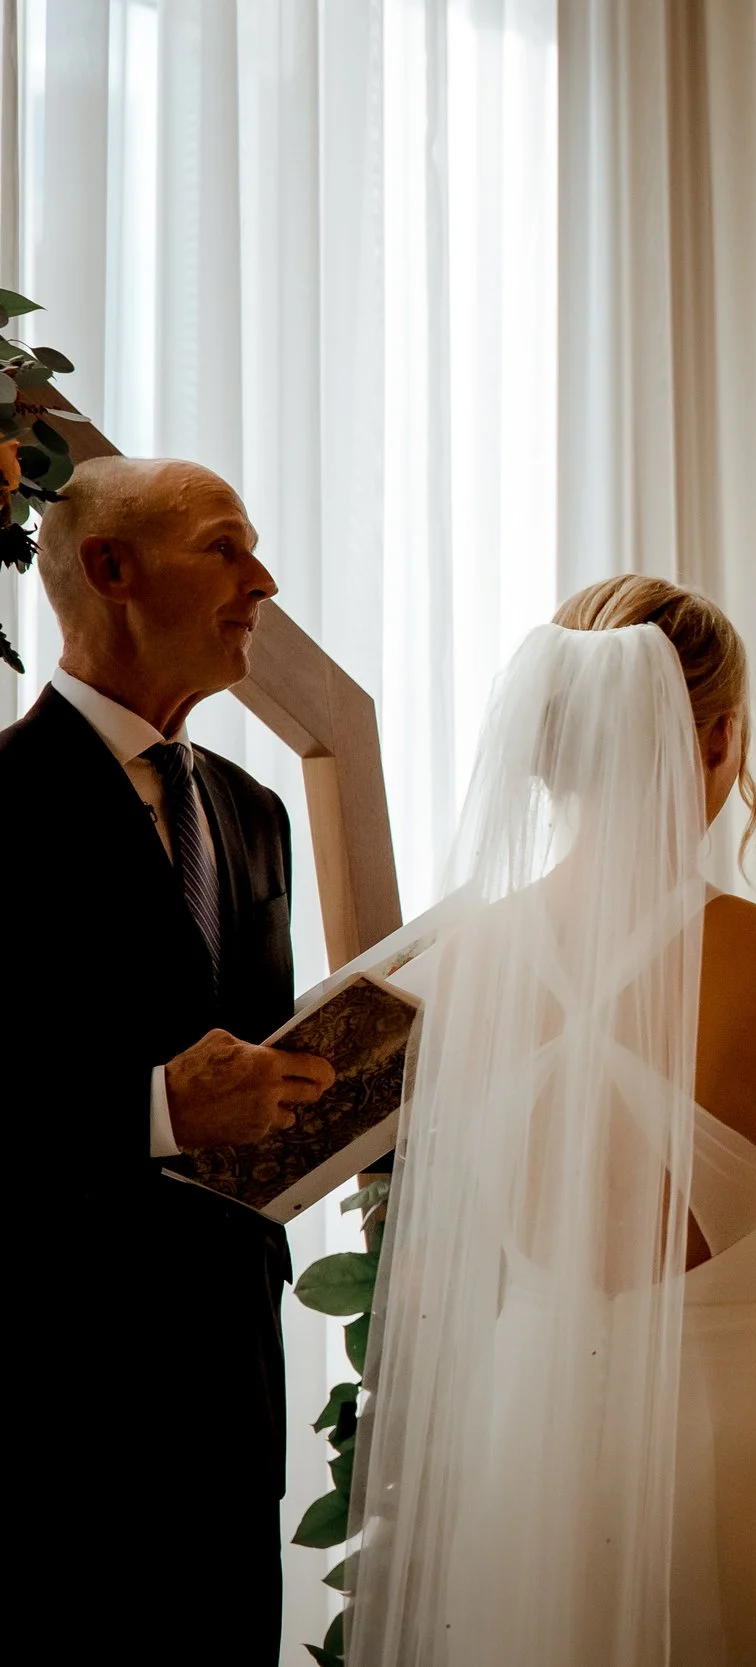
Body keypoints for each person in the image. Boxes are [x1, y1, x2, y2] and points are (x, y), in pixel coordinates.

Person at [348, 577, 756, 1665]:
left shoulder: (455, 964)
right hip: (737, 1435)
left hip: (528, 1433)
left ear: (547, 748)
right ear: (722, 735)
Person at [6, 457, 336, 1662]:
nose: (265, 580)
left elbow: (254, 1057)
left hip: (232, 1380)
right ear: (111, 570)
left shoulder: (255, 812)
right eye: (228, 548)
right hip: (55, 1393)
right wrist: (150, 1108)